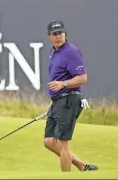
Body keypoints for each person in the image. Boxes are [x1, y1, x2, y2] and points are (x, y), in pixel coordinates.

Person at [44, 20, 98, 172]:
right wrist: (53, 101)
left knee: (63, 144)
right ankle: (82, 166)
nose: (58, 36)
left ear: (65, 33)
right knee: (48, 141)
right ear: (49, 36)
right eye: (55, 34)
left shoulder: (71, 52)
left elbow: (83, 78)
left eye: (60, 33)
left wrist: (63, 84)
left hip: (69, 100)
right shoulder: (53, 52)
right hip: (58, 101)